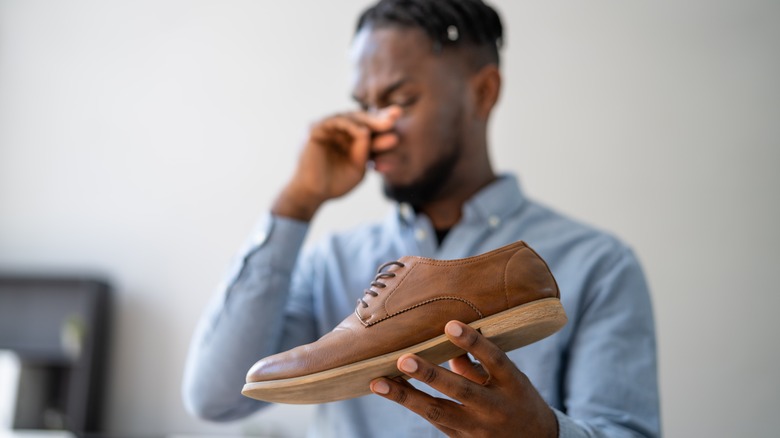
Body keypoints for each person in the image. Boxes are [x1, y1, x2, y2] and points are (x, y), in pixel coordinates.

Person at [182, 0, 660, 436]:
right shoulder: (332, 261)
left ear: (483, 92)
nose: (373, 129)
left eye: (399, 101)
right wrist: (297, 203)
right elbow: (216, 398)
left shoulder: (597, 263)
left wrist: (545, 434)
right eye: (363, 106)